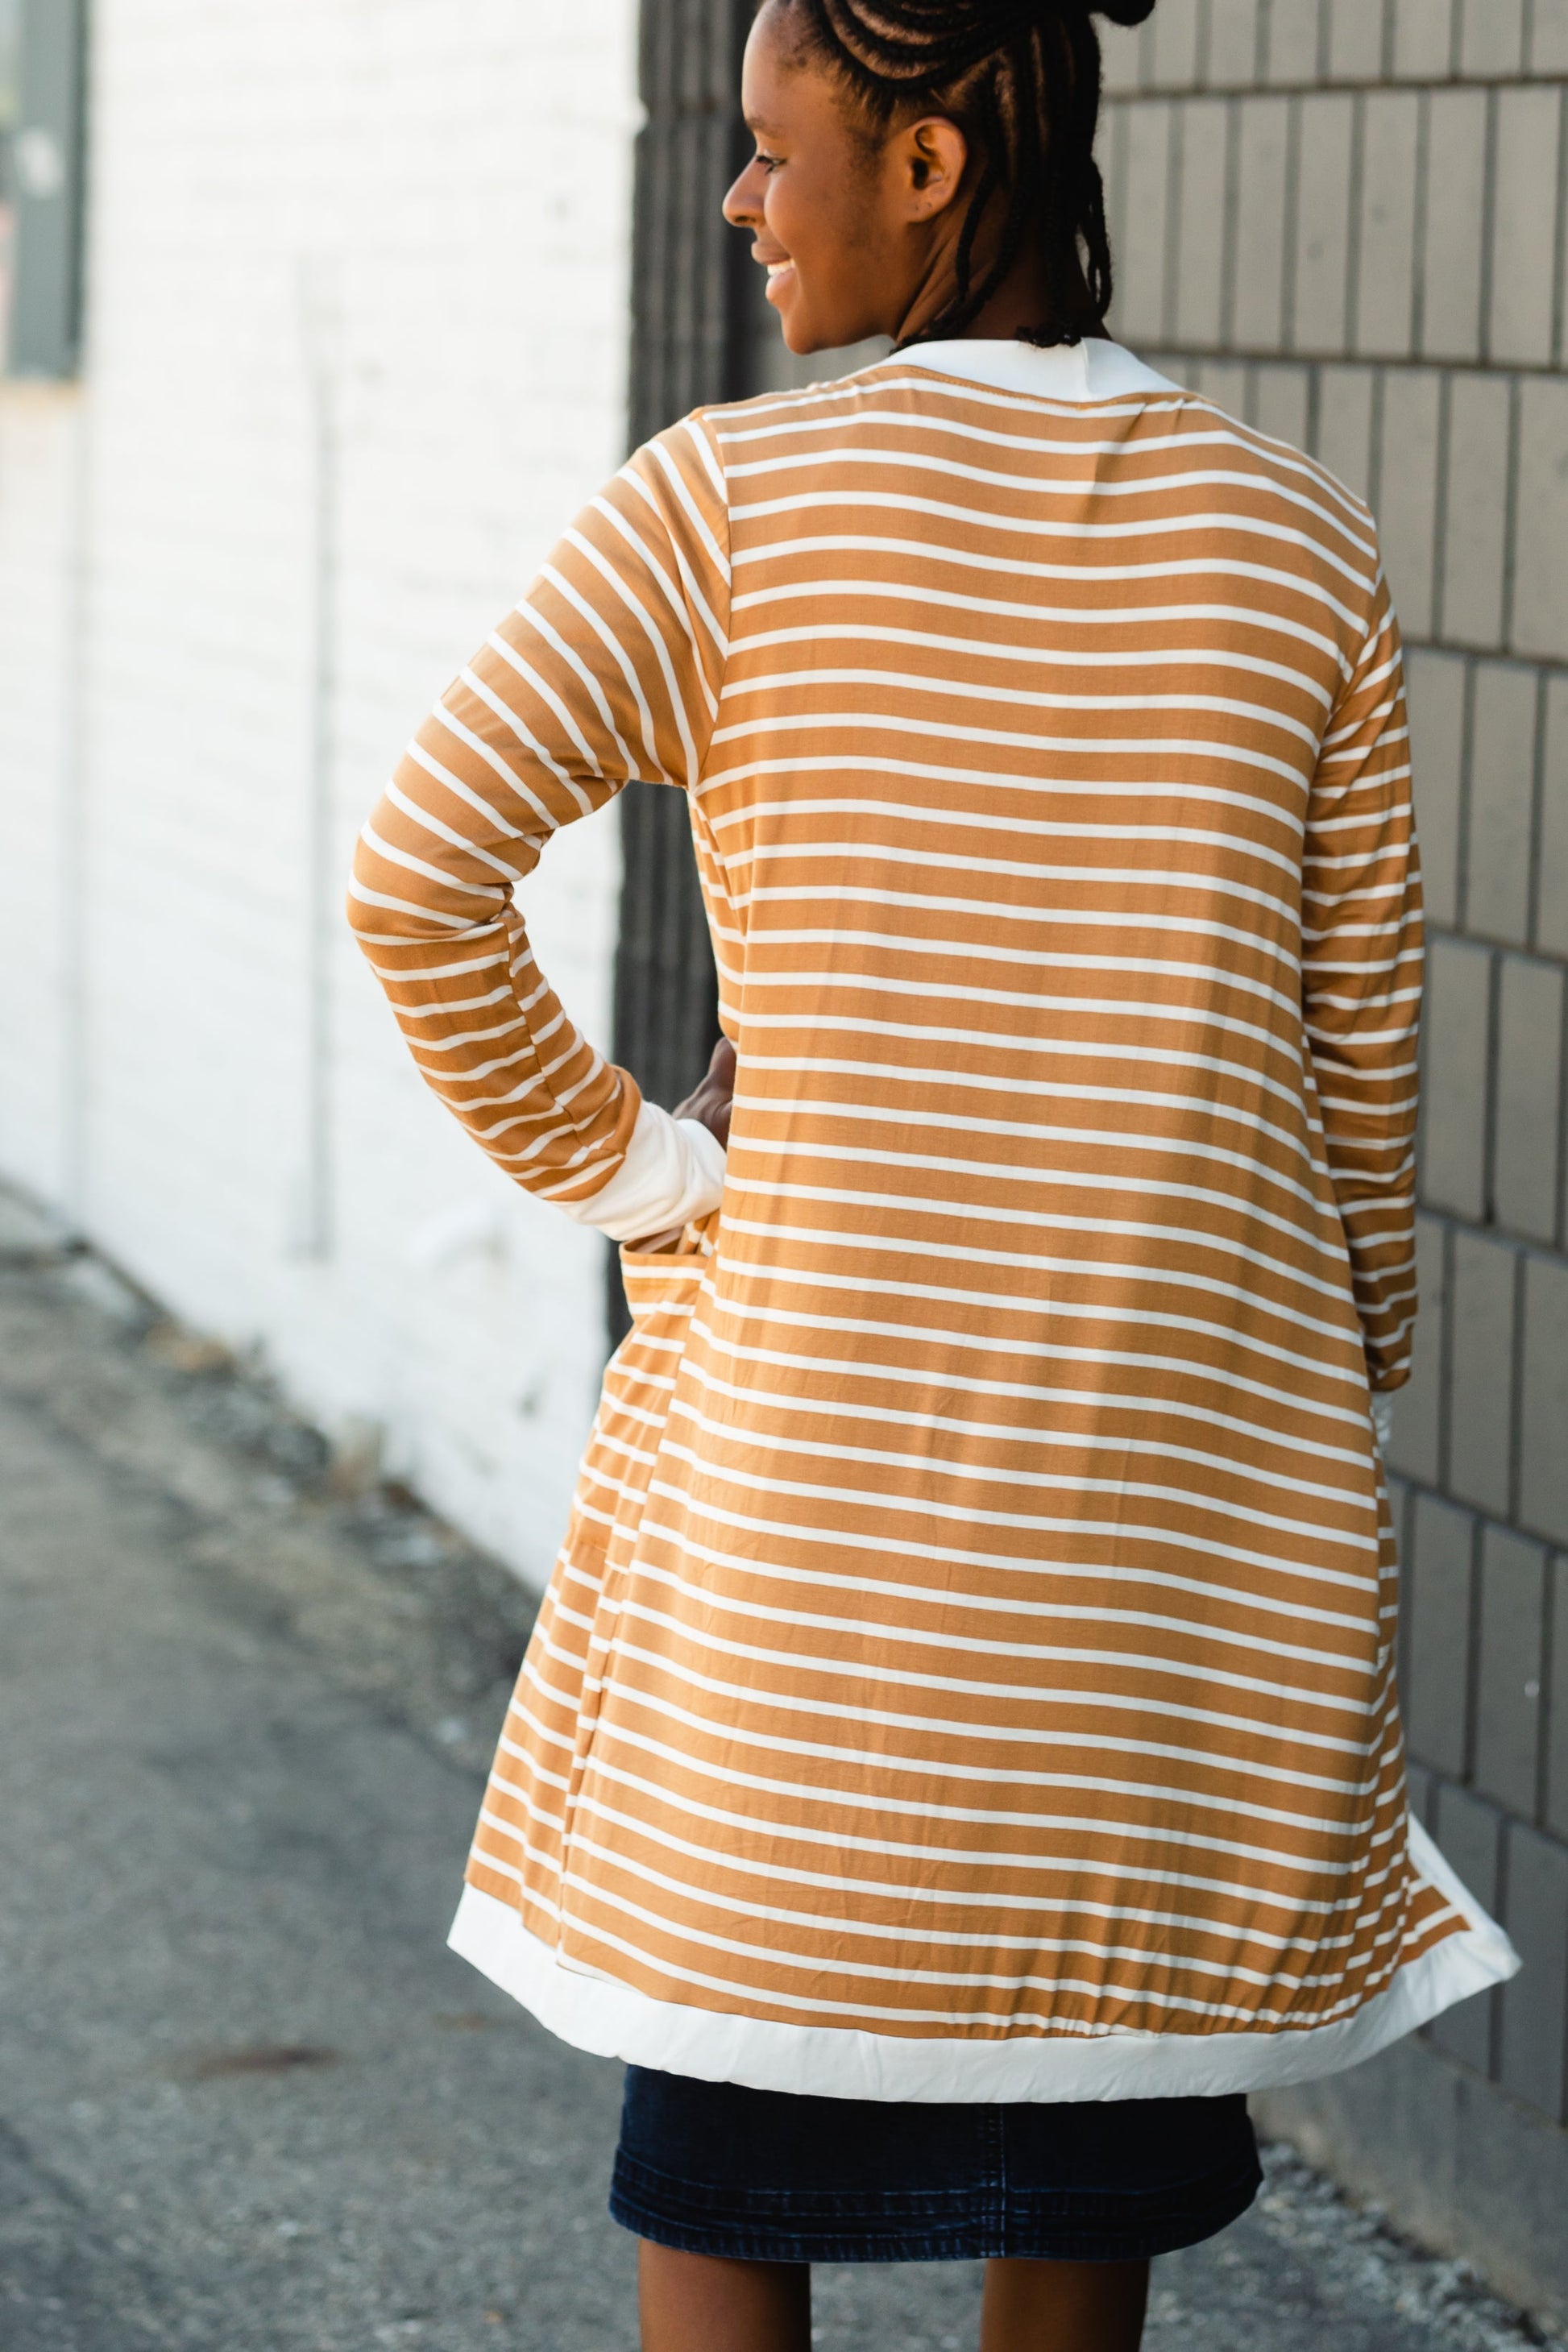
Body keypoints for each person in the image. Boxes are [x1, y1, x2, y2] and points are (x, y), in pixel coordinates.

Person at [349, 2, 1517, 2345]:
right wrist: (1324, 1360)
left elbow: (418, 875)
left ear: (931, 159)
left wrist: (652, 1184)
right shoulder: (1294, 538)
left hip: (814, 1579)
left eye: (776, 152)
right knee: (1076, 2179)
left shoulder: (727, 504)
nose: (736, 198)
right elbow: (1357, 1052)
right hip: (1164, 1555)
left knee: (732, 2162)